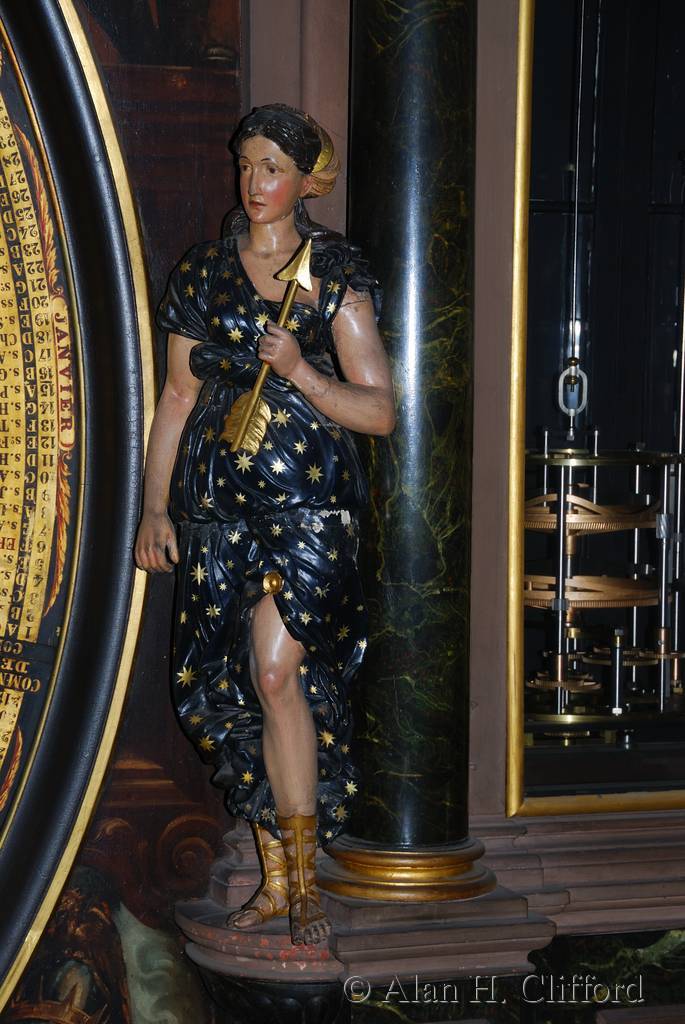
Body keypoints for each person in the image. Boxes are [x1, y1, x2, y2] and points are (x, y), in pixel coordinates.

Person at [134, 104, 395, 946]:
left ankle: (306, 880)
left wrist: (300, 373)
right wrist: (154, 507)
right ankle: (279, 881)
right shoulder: (203, 273)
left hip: (307, 510)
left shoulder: (331, 273)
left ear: (306, 179)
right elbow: (177, 397)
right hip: (216, 512)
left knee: (277, 672)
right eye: (245, 163)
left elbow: (380, 411)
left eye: (273, 167)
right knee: (228, 687)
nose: (255, 183)